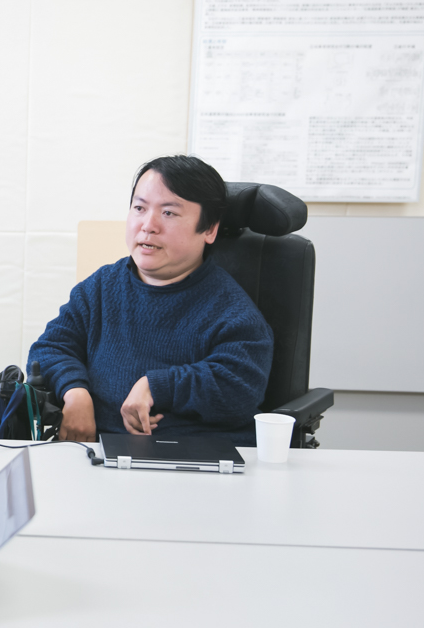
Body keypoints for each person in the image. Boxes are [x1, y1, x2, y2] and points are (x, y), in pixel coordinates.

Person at [28, 155, 273, 446]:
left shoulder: (231, 309)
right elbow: (49, 348)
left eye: (168, 213)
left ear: (209, 229)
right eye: (139, 208)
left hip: (195, 460)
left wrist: (157, 386)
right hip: (99, 453)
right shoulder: (101, 287)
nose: (148, 225)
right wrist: (74, 392)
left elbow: (240, 387)